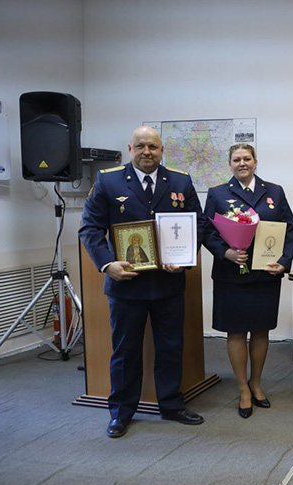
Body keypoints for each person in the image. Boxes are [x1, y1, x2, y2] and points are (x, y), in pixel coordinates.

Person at [79, 126, 205, 438]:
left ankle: (172, 405)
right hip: (126, 285)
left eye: (153, 146)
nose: (146, 152)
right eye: (140, 146)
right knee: (125, 351)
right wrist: (107, 264)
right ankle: (121, 412)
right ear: (130, 148)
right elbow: (90, 228)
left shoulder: (180, 181)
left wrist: (186, 257)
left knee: (170, 347)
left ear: (162, 150)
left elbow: (197, 224)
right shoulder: (108, 180)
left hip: (169, 282)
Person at [203, 144, 293, 418]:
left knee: (261, 330)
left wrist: (284, 261)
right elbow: (207, 230)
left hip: (266, 273)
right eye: (236, 159)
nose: (242, 163)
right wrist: (226, 252)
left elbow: (289, 228)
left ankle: (257, 383)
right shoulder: (217, 193)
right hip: (232, 274)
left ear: (256, 162)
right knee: (235, 332)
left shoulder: (274, 191)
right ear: (230, 164)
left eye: (247, 158)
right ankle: (243, 388)